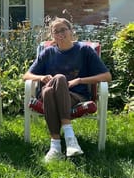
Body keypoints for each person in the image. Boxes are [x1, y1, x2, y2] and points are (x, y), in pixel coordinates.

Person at [23, 17, 111, 162]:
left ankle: (55, 146)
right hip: (51, 94)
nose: (59, 34)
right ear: (52, 35)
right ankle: (70, 139)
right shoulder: (48, 52)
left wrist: (79, 80)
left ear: (71, 31)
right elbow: (27, 75)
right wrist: (41, 78)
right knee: (58, 80)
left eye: (63, 29)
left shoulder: (84, 50)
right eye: (55, 31)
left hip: (76, 97)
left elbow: (107, 76)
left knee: (49, 90)